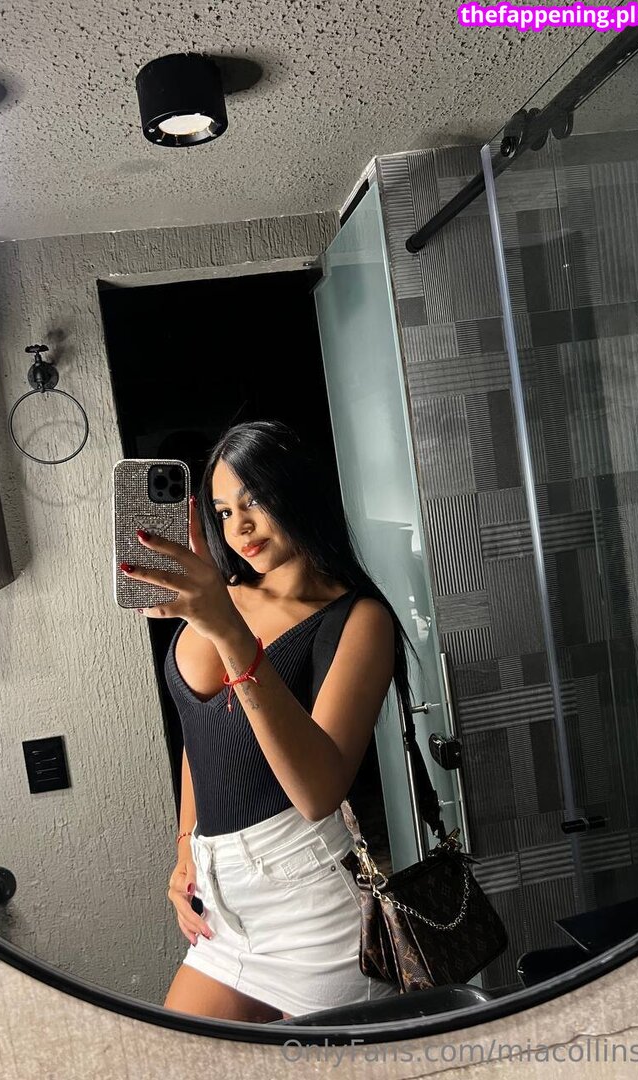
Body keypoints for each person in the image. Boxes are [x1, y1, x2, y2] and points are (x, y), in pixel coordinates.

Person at [119, 420, 414, 1023]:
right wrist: (185, 848)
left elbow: (318, 793)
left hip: (310, 909)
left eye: (254, 500)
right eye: (224, 512)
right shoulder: (221, 597)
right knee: (178, 1057)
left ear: (298, 491)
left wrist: (228, 631)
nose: (240, 527)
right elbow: (202, 736)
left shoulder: (357, 620)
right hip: (221, 906)